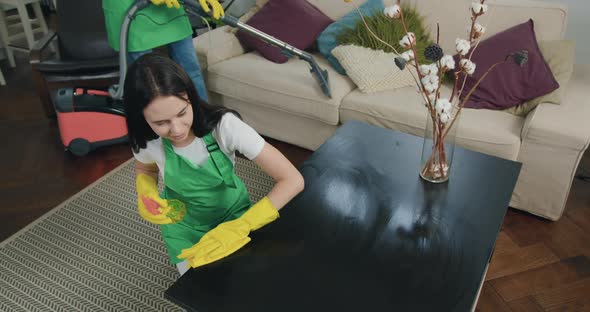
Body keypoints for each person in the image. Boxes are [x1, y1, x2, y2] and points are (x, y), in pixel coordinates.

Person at [123, 53, 305, 275]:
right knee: (200, 289)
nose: (177, 129)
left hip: (235, 215)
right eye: (161, 123)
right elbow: (146, 167)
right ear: (141, 117)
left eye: (182, 113)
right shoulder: (146, 139)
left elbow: (292, 180)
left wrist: (243, 225)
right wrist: (146, 190)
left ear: (190, 97)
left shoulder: (224, 126)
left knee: (248, 279)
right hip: (184, 227)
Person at [102, 0, 223, 101]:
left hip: (169, 8)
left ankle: (203, 119)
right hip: (130, 9)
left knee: (191, 70)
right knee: (146, 79)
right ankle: (154, 124)